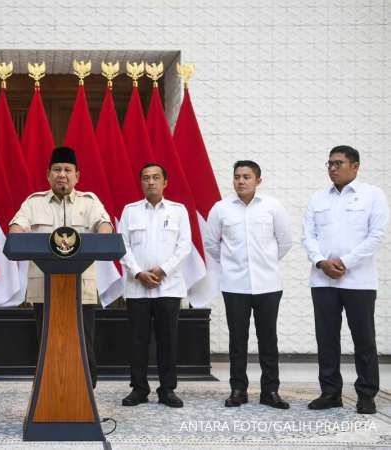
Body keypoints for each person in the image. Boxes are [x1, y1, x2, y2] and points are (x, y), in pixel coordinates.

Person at [9, 146, 113, 388]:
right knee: (47, 344)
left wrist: (103, 236)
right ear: (48, 175)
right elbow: (16, 228)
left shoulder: (90, 201)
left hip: (81, 289)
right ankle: (48, 395)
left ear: (77, 175)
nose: (62, 175)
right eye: (57, 170)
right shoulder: (33, 202)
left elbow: (104, 226)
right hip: (45, 289)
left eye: (67, 170)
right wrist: (18, 234)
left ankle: (86, 397)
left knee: (83, 344)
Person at [302, 145, 388, 414]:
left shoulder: (372, 195)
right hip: (322, 280)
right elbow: (308, 236)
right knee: (326, 339)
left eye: (338, 163)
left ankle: (366, 394)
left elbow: (377, 235)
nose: (333, 168)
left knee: (363, 339)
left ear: (356, 166)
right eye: (329, 163)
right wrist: (321, 262)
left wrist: (345, 262)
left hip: (358, 281)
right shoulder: (318, 198)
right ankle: (330, 392)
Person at [205, 160, 292, 409]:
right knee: (237, 341)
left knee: (268, 339)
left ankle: (270, 391)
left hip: (268, 284)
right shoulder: (221, 209)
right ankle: (238, 390)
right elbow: (212, 244)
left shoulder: (272, 207)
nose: (241, 181)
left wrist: (265, 262)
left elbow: (285, 241)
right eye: (237, 177)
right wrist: (232, 264)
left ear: (258, 180)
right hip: (234, 284)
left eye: (246, 177)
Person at [119, 163, 191, 408]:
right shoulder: (130, 211)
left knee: (168, 340)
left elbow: (184, 247)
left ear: (165, 182)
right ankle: (138, 389)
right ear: (141, 183)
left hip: (168, 287)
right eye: (146, 178)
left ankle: (167, 389)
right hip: (137, 287)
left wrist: (162, 270)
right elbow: (122, 246)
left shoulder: (178, 211)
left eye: (156, 178)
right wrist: (139, 273)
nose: (151, 182)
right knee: (137, 341)